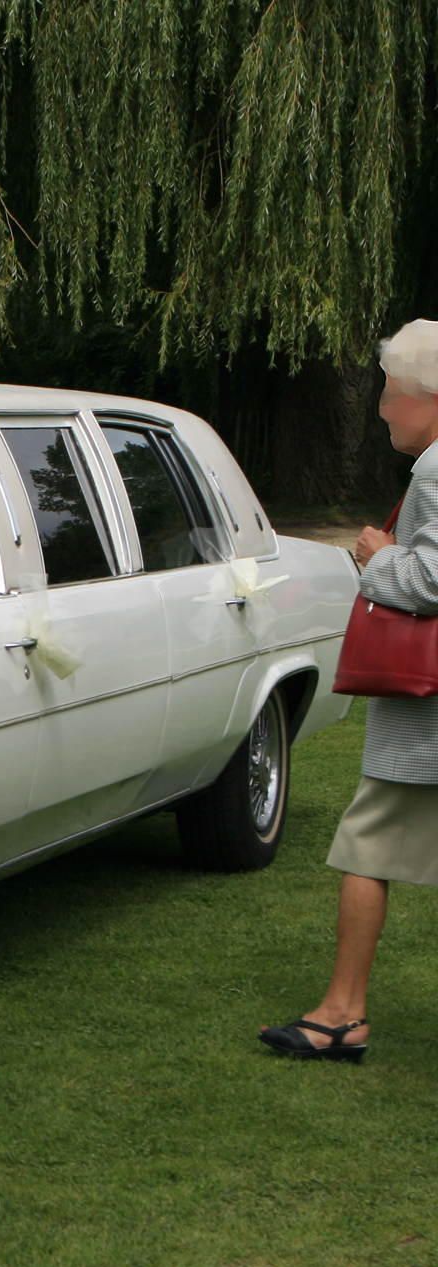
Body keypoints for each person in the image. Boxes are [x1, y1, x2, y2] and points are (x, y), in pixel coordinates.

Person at [260, 318, 438, 1064]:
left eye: (394, 394)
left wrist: (378, 555)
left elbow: (431, 579)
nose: (383, 409)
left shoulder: (434, 472)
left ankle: (342, 1012)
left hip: (426, 713)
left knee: (367, 842)